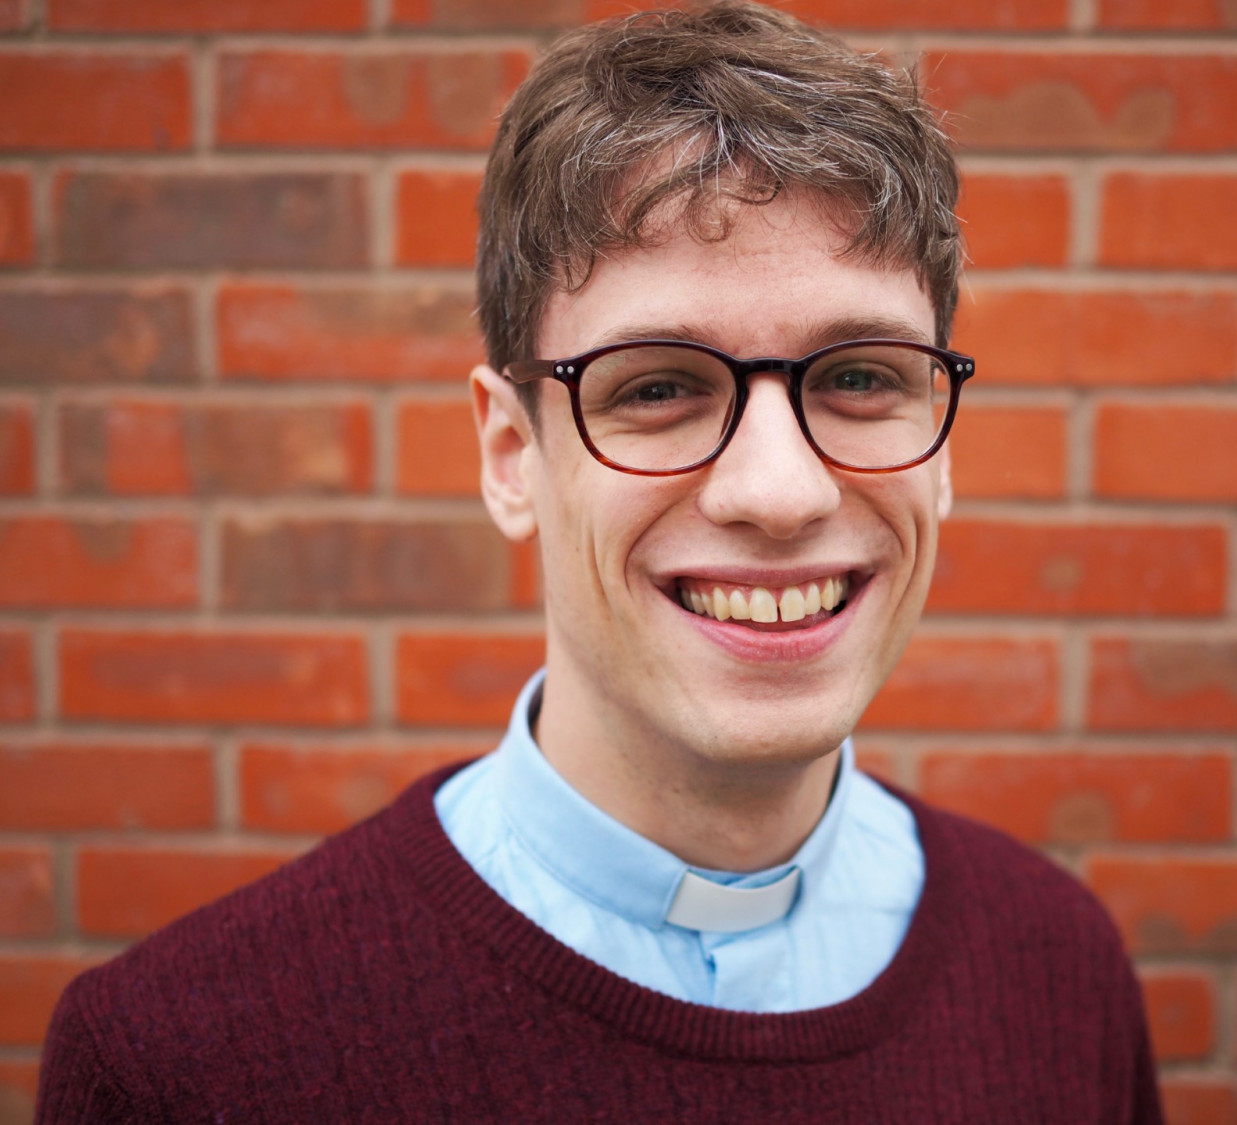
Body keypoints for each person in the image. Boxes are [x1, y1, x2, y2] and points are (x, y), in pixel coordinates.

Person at [36, 3, 1163, 1120]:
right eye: (658, 386)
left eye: (860, 377)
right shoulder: (179, 1064)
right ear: (511, 456)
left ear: (943, 442)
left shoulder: (1061, 969)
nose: (779, 492)